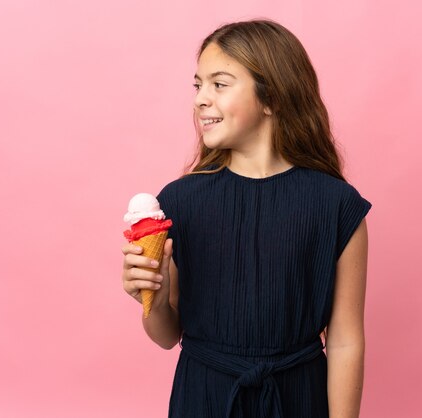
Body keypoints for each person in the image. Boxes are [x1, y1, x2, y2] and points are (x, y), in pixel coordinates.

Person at [121, 19, 372, 418]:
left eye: (219, 84)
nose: (201, 99)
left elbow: (344, 342)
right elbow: (167, 336)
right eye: (197, 85)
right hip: (203, 399)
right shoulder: (179, 201)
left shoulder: (338, 207)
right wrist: (152, 297)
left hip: (297, 400)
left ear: (271, 97)